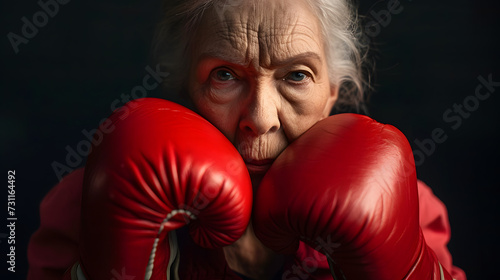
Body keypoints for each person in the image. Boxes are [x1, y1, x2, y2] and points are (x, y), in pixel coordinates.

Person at [27, 0, 466, 279]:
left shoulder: (408, 204)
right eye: (225, 75)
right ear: (185, 91)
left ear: (333, 91)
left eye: (297, 75)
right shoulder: (87, 202)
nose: (260, 118)